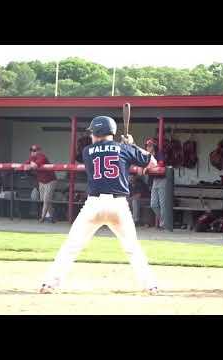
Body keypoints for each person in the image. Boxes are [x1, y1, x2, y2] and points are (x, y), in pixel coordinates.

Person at [39, 116, 158, 295]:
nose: (91, 135)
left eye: (93, 132)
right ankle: (150, 286)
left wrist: (123, 146)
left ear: (98, 132)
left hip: (94, 205)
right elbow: (153, 163)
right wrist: (131, 145)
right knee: (132, 247)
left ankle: (50, 284)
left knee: (72, 246)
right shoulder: (124, 148)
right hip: (119, 205)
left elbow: (105, 151)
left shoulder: (88, 151)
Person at [24, 145, 57, 223]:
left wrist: (31, 165)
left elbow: (35, 165)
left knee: (46, 200)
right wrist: (30, 164)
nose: (32, 152)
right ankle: (53, 217)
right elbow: (25, 165)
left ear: (39, 151)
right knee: (44, 200)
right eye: (31, 150)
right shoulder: (32, 158)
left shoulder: (42, 156)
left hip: (50, 181)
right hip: (41, 181)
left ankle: (42, 218)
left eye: (35, 150)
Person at [145, 138, 166, 230]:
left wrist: (148, 169)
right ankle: (164, 221)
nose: (148, 147)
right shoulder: (147, 155)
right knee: (153, 204)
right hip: (154, 181)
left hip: (162, 179)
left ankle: (164, 223)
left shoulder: (159, 154)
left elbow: (160, 165)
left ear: (154, 146)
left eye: (150, 145)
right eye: (147, 146)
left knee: (162, 204)